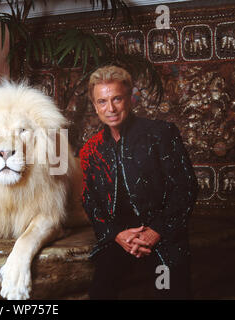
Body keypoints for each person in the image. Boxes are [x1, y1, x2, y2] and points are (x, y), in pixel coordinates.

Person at [80, 65, 198, 299]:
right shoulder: (91, 149)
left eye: (117, 99)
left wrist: (156, 231)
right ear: (95, 106)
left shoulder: (160, 134)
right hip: (120, 240)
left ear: (130, 99)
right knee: (100, 292)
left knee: (169, 291)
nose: (110, 108)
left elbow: (185, 187)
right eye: (102, 102)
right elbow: (90, 200)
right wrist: (116, 235)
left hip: (163, 236)